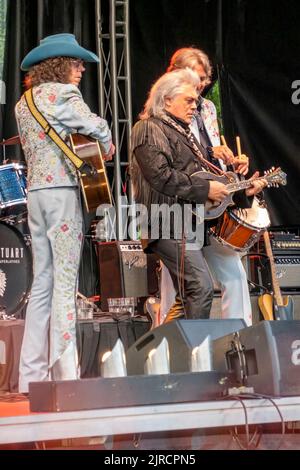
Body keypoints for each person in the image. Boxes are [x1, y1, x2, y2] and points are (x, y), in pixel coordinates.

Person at [15, 33, 114, 393]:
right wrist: (107, 145)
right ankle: (66, 374)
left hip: (36, 196)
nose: (82, 70)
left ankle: (30, 376)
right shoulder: (64, 94)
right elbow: (97, 127)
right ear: (60, 64)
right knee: (65, 282)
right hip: (62, 196)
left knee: (41, 282)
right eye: (76, 63)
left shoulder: (24, 102)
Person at [130, 68, 265, 323]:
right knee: (200, 287)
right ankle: (194, 355)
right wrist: (206, 190)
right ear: (167, 99)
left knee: (187, 297)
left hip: (189, 224)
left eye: (196, 100)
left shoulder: (184, 132)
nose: (195, 105)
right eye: (189, 100)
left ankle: (165, 354)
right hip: (165, 221)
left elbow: (208, 184)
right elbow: (160, 176)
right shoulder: (148, 128)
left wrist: (243, 192)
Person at [160, 47, 260, 326]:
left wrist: (230, 165)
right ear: (176, 73)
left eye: (206, 78)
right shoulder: (164, 108)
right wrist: (209, 151)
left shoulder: (208, 107)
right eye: (197, 77)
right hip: (178, 207)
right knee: (176, 287)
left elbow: (212, 149)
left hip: (211, 205)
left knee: (234, 274)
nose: (202, 84)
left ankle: (240, 342)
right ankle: (167, 347)